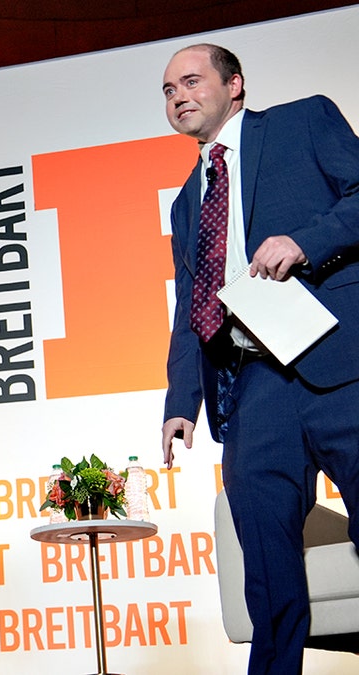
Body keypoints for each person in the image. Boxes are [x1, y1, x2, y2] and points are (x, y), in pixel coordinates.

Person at [160, 43, 359, 673]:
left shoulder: (304, 121)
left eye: (190, 81)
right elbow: (189, 306)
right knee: (267, 572)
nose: (178, 96)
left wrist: (306, 240)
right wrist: (179, 402)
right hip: (253, 387)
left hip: (339, 365)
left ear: (235, 85)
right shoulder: (187, 201)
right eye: (167, 91)